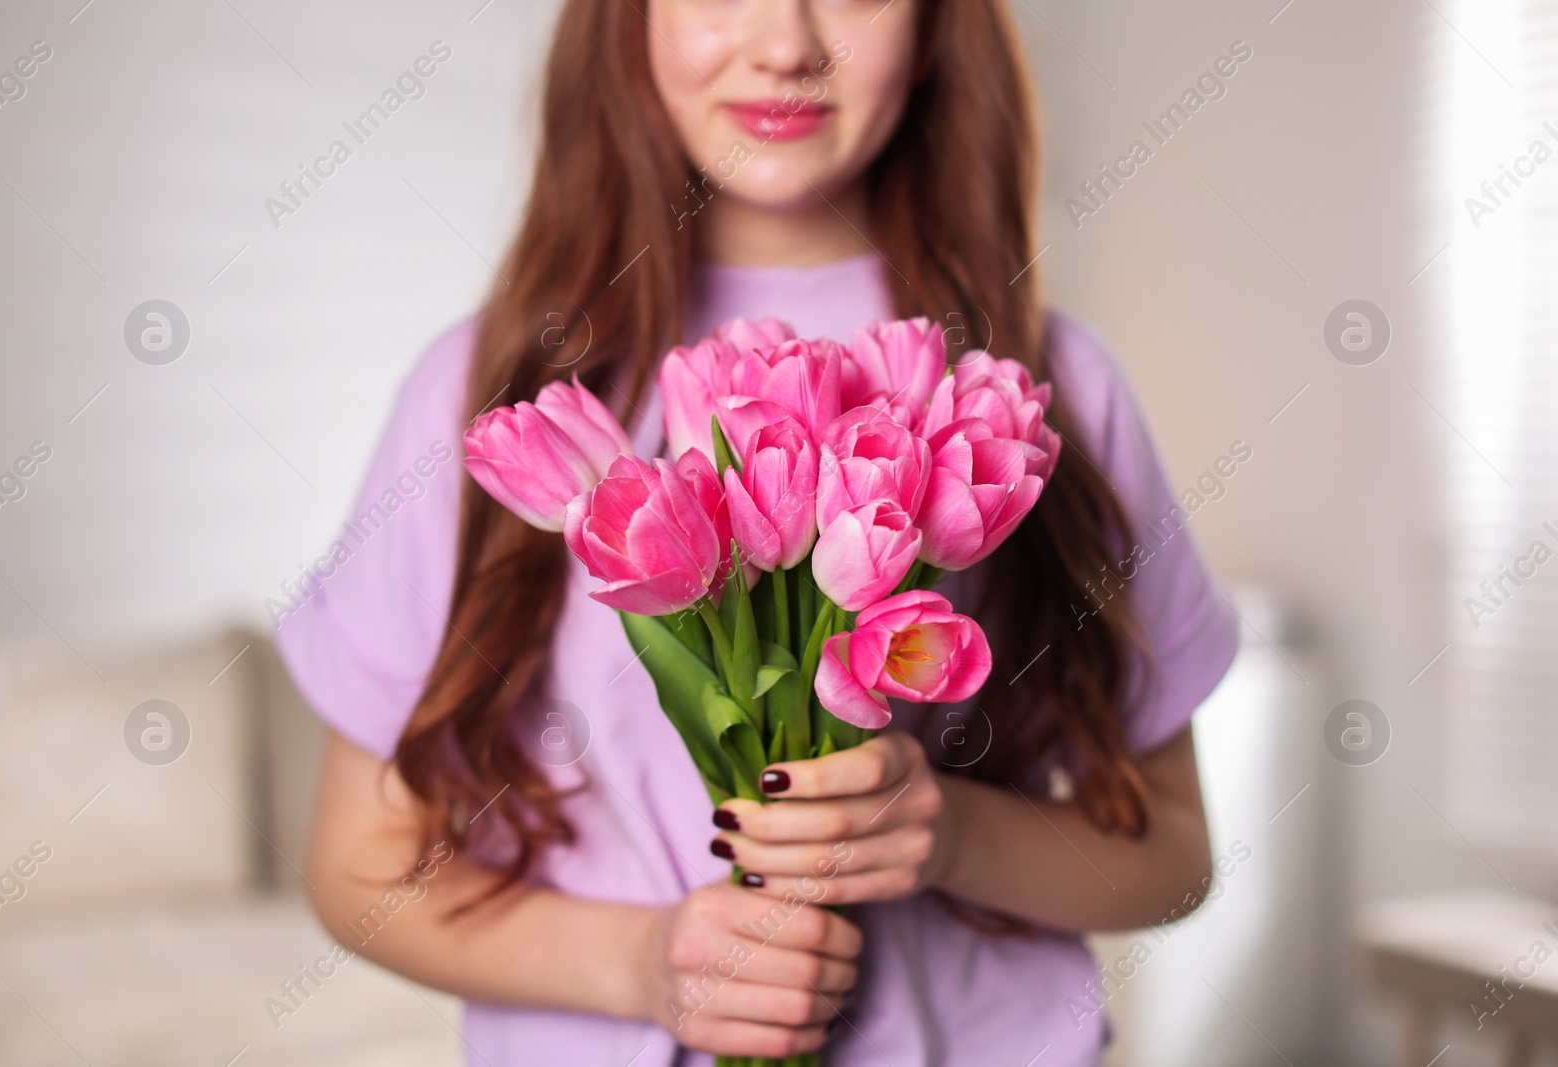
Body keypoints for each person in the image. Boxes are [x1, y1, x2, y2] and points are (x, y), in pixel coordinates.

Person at [278, 1, 1239, 1063]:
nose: (786, 44)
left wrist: (948, 833)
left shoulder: (1040, 386)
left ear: (933, 29)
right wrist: (640, 962)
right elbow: (359, 861)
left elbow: (1171, 851)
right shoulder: (499, 394)